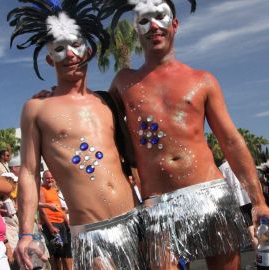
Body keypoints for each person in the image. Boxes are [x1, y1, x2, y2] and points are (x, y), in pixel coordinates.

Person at [108, 0, 269, 269]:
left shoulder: (202, 80)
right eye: (145, 20)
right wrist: (59, 95)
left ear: (175, 24)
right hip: (157, 205)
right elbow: (99, 120)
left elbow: (230, 140)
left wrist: (259, 201)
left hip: (209, 196)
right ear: (136, 29)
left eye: (160, 17)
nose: (154, 26)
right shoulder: (124, 82)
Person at [8, 1, 145, 270]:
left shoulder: (108, 100)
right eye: (59, 48)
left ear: (89, 50)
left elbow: (137, 157)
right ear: (50, 58)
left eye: (76, 45)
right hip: (92, 235)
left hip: (137, 222)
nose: (70, 54)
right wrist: (26, 234)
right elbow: (29, 171)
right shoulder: (37, 109)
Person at [219, 159, 257, 247]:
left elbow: (224, 188)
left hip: (239, 201)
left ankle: (259, 256)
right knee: (260, 224)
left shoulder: (222, 168)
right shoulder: (244, 161)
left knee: (250, 227)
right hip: (252, 197)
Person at [39, 170, 72, 270]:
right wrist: (50, 226)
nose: (50, 180)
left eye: (51, 178)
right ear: (43, 179)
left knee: (66, 253)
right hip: (52, 224)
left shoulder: (53, 190)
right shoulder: (41, 190)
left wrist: (67, 223)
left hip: (61, 223)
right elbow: (42, 211)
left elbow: (60, 209)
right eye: (47, 178)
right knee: (56, 255)